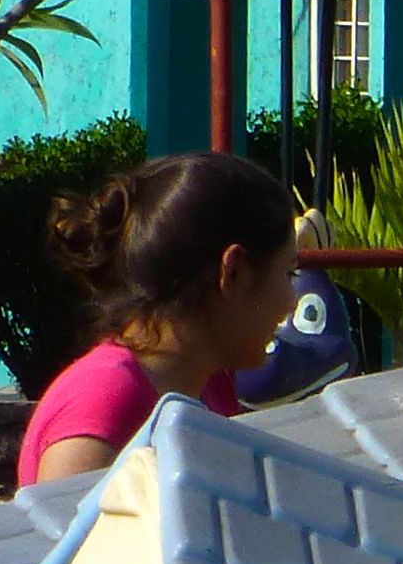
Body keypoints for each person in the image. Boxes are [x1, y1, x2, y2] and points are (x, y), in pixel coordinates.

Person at [15, 153, 305, 489]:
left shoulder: (208, 383)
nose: (292, 300)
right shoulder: (102, 406)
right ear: (235, 272)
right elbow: (64, 521)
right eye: (289, 274)